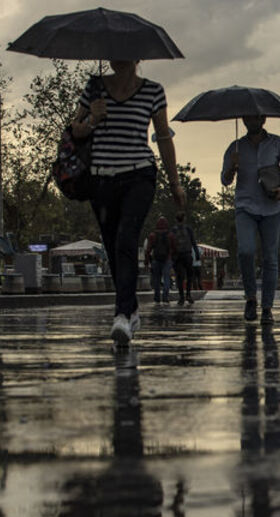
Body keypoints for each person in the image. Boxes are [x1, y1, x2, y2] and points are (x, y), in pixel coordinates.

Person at [70, 60, 185, 344]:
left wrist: (175, 182)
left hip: (139, 176)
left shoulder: (153, 92)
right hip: (101, 179)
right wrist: (92, 119)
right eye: (115, 54)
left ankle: (121, 315)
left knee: (125, 240)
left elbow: (163, 137)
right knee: (111, 247)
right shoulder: (94, 88)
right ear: (109, 58)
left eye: (127, 54)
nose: (120, 60)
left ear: (137, 59)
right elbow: (74, 130)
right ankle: (131, 308)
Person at [221, 115, 280, 325]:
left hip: (271, 207)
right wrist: (232, 167)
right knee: (245, 251)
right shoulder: (235, 147)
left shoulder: (276, 143)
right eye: (248, 117)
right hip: (245, 206)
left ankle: (267, 307)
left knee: (270, 258)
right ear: (244, 120)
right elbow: (224, 180)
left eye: (256, 117)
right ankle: (250, 298)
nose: (252, 120)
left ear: (263, 119)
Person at [171, 211, 200, 305]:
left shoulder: (173, 230)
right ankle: (188, 294)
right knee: (189, 276)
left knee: (179, 277)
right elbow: (193, 241)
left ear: (175, 219)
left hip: (177, 256)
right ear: (184, 219)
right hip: (187, 255)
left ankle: (181, 297)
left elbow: (170, 243)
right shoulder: (188, 228)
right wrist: (197, 253)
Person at [144, 216, 175, 304]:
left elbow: (148, 249)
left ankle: (157, 297)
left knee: (156, 279)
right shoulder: (170, 235)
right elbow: (174, 248)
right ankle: (165, 297)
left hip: (156, 259)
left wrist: (146, 261)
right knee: (166, 278)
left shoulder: (152, 235)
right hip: (167, 259)